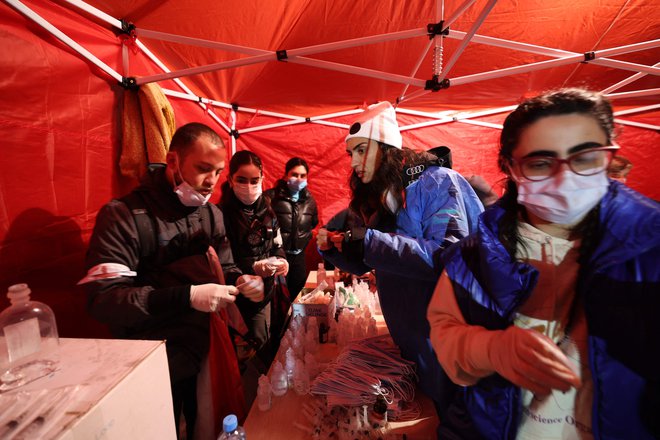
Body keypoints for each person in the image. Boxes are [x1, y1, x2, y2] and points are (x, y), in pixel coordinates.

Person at [427, 88, 660, 439]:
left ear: (611, 157)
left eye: (585, 158)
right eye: (540, 163)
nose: (564, 180)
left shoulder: (651, 250)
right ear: (509, 167)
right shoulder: (475, 257)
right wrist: (491, 349)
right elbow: (444, 333)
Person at [80, 122, 265, 439]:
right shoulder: (124, 215)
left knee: (204, 426)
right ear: (173, 161)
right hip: (149, 361)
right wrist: (186, 296)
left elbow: (227, 266)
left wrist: (247, 281)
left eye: (218, 171)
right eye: (203, 169)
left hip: (202, 351)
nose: (211, 182)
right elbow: (103, 299)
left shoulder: (211, 214)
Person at [317, 101, 484, 423]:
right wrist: (337, 249)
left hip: (448, 336)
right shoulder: (385, 196)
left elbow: (448, 254)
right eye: (350, 153)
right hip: (410, 337)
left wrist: (367, 240)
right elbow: (371, 264)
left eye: (361, 149)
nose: (353, 162)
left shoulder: (438, 182)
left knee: (454, 416)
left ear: (387, 148)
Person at [218, 150, 289, 359]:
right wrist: (250, 270)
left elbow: (278, 245)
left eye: (254, 180)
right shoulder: (220, 215)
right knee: (239, 354)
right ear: (230, 179)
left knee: (262, 344)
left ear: (262, 179)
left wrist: (282, 260)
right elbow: (221, 261)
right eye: (241, 180)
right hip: (233, 299)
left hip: (264, 295)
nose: (248, 187)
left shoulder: (268, 212)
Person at [265, 157, 319, 299]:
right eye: (294, 174)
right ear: (286, 175)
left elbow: (313, 223)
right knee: (278, 298)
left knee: (297, 296)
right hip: (277, 256)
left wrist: (304, 238)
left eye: (303, 176)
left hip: (299, 257)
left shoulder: (310, 201)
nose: (299, 179)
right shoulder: (271, 197)